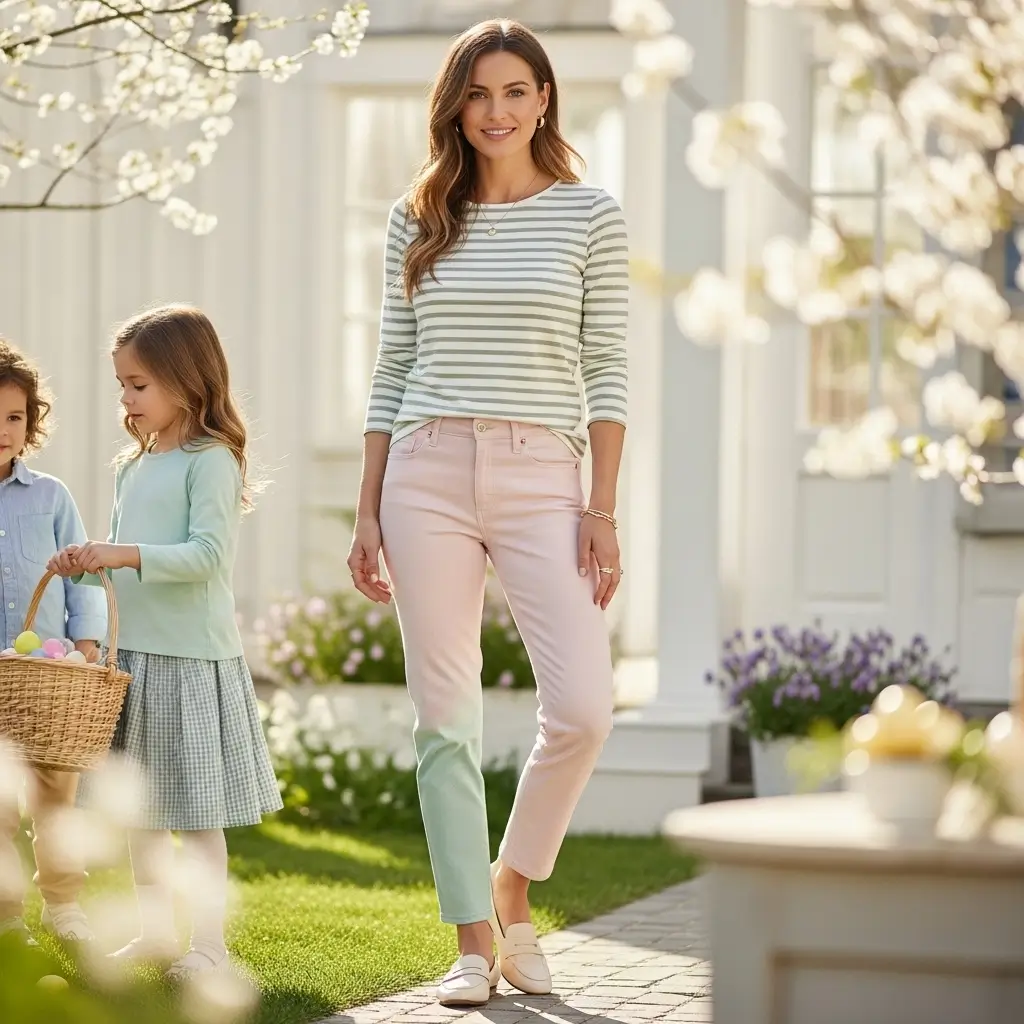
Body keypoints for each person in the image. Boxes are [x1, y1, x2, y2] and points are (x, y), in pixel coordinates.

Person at [347, 18, 628, 1008]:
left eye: (515, 91)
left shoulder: (589, 215)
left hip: (542, 473)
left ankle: (512, 885)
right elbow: (390, 367)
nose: (496, 111)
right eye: (477, 93)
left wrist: (602, 508)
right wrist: (367, 509)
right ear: (455, 106)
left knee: (583, 709)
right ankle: (473, 939)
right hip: (423, 469)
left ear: (544, 99)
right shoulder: (418, 215)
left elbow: (607, 370)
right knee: (445, 716)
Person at [48, 305, 281, 981]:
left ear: (185, 379)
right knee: (143, 813)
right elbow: (128, 562)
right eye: (122, 384)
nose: (126, 398)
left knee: (196, 815)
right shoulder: (135, 464)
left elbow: (206, 556)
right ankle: (155, 935)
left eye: (139, 384)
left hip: (190, 661)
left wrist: (119, 553)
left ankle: (209, 946)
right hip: (132, 659)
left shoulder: (211, 461)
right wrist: (86, 564)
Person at [0, 339, 107, 947]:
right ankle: (6, 915)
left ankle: (63, 905)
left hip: (48, 677)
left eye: (14, 416)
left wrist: (86, 642)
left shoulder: (50, 495)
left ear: (30, 422)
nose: (3, 429)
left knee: (56, 798)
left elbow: (82, 575)